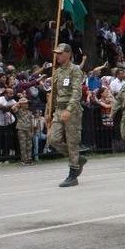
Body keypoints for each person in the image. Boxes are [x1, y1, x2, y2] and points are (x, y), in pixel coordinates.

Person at [48, 43, 86, 187]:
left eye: (60, 53)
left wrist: (69, 110)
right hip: (59, 110)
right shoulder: (56, 72)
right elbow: (54, 93)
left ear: (68, 54)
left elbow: (77, 92)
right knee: (53, 139)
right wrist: (49, 111)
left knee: (72, 142)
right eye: (56, 53)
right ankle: (77, 158)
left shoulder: (75, 70)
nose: (57, 56)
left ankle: (73, 174)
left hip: (72, 110)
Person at [12, 92, 35, 165]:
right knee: (23, 145)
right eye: (25, 103)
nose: (27, 104)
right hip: (21, 129)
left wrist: (32, 131)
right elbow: (13, 108)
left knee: (29, 145)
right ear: (21, 105)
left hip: (28, 129)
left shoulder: (29, 112)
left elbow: (31, 122)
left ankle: (29, 159)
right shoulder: (19, 111)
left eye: (27, 103)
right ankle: (24, 160)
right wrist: (19, 102)